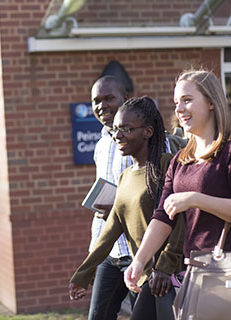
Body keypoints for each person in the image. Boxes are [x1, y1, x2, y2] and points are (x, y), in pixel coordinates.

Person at [124, 68, 231, 303]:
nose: (179, 109)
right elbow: (163, 216)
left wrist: (194, 199)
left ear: (211, 102)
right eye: (176, 102)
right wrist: (139, 260)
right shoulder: (180, 159)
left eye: (187, 100)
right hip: (196, 271)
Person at [70, 97, 185, 320]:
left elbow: (179, 220)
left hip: (167, 277)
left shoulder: (166, 165)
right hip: (145, 276)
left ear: (148, 131)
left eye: (126, 129)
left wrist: (164, 267)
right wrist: (83, 274)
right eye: (115, 130)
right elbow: (111, 230)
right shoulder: (125, 177)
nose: (118, 136)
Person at [80, 75, 134, 320]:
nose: (102, 105)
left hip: (138, 251)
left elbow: (156, 195)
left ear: (126, 98)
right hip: (110, 252)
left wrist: (119, 208)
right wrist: (94, 254)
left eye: (109, 98)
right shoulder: (101, 144)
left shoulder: (145, 139)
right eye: (96, 100)